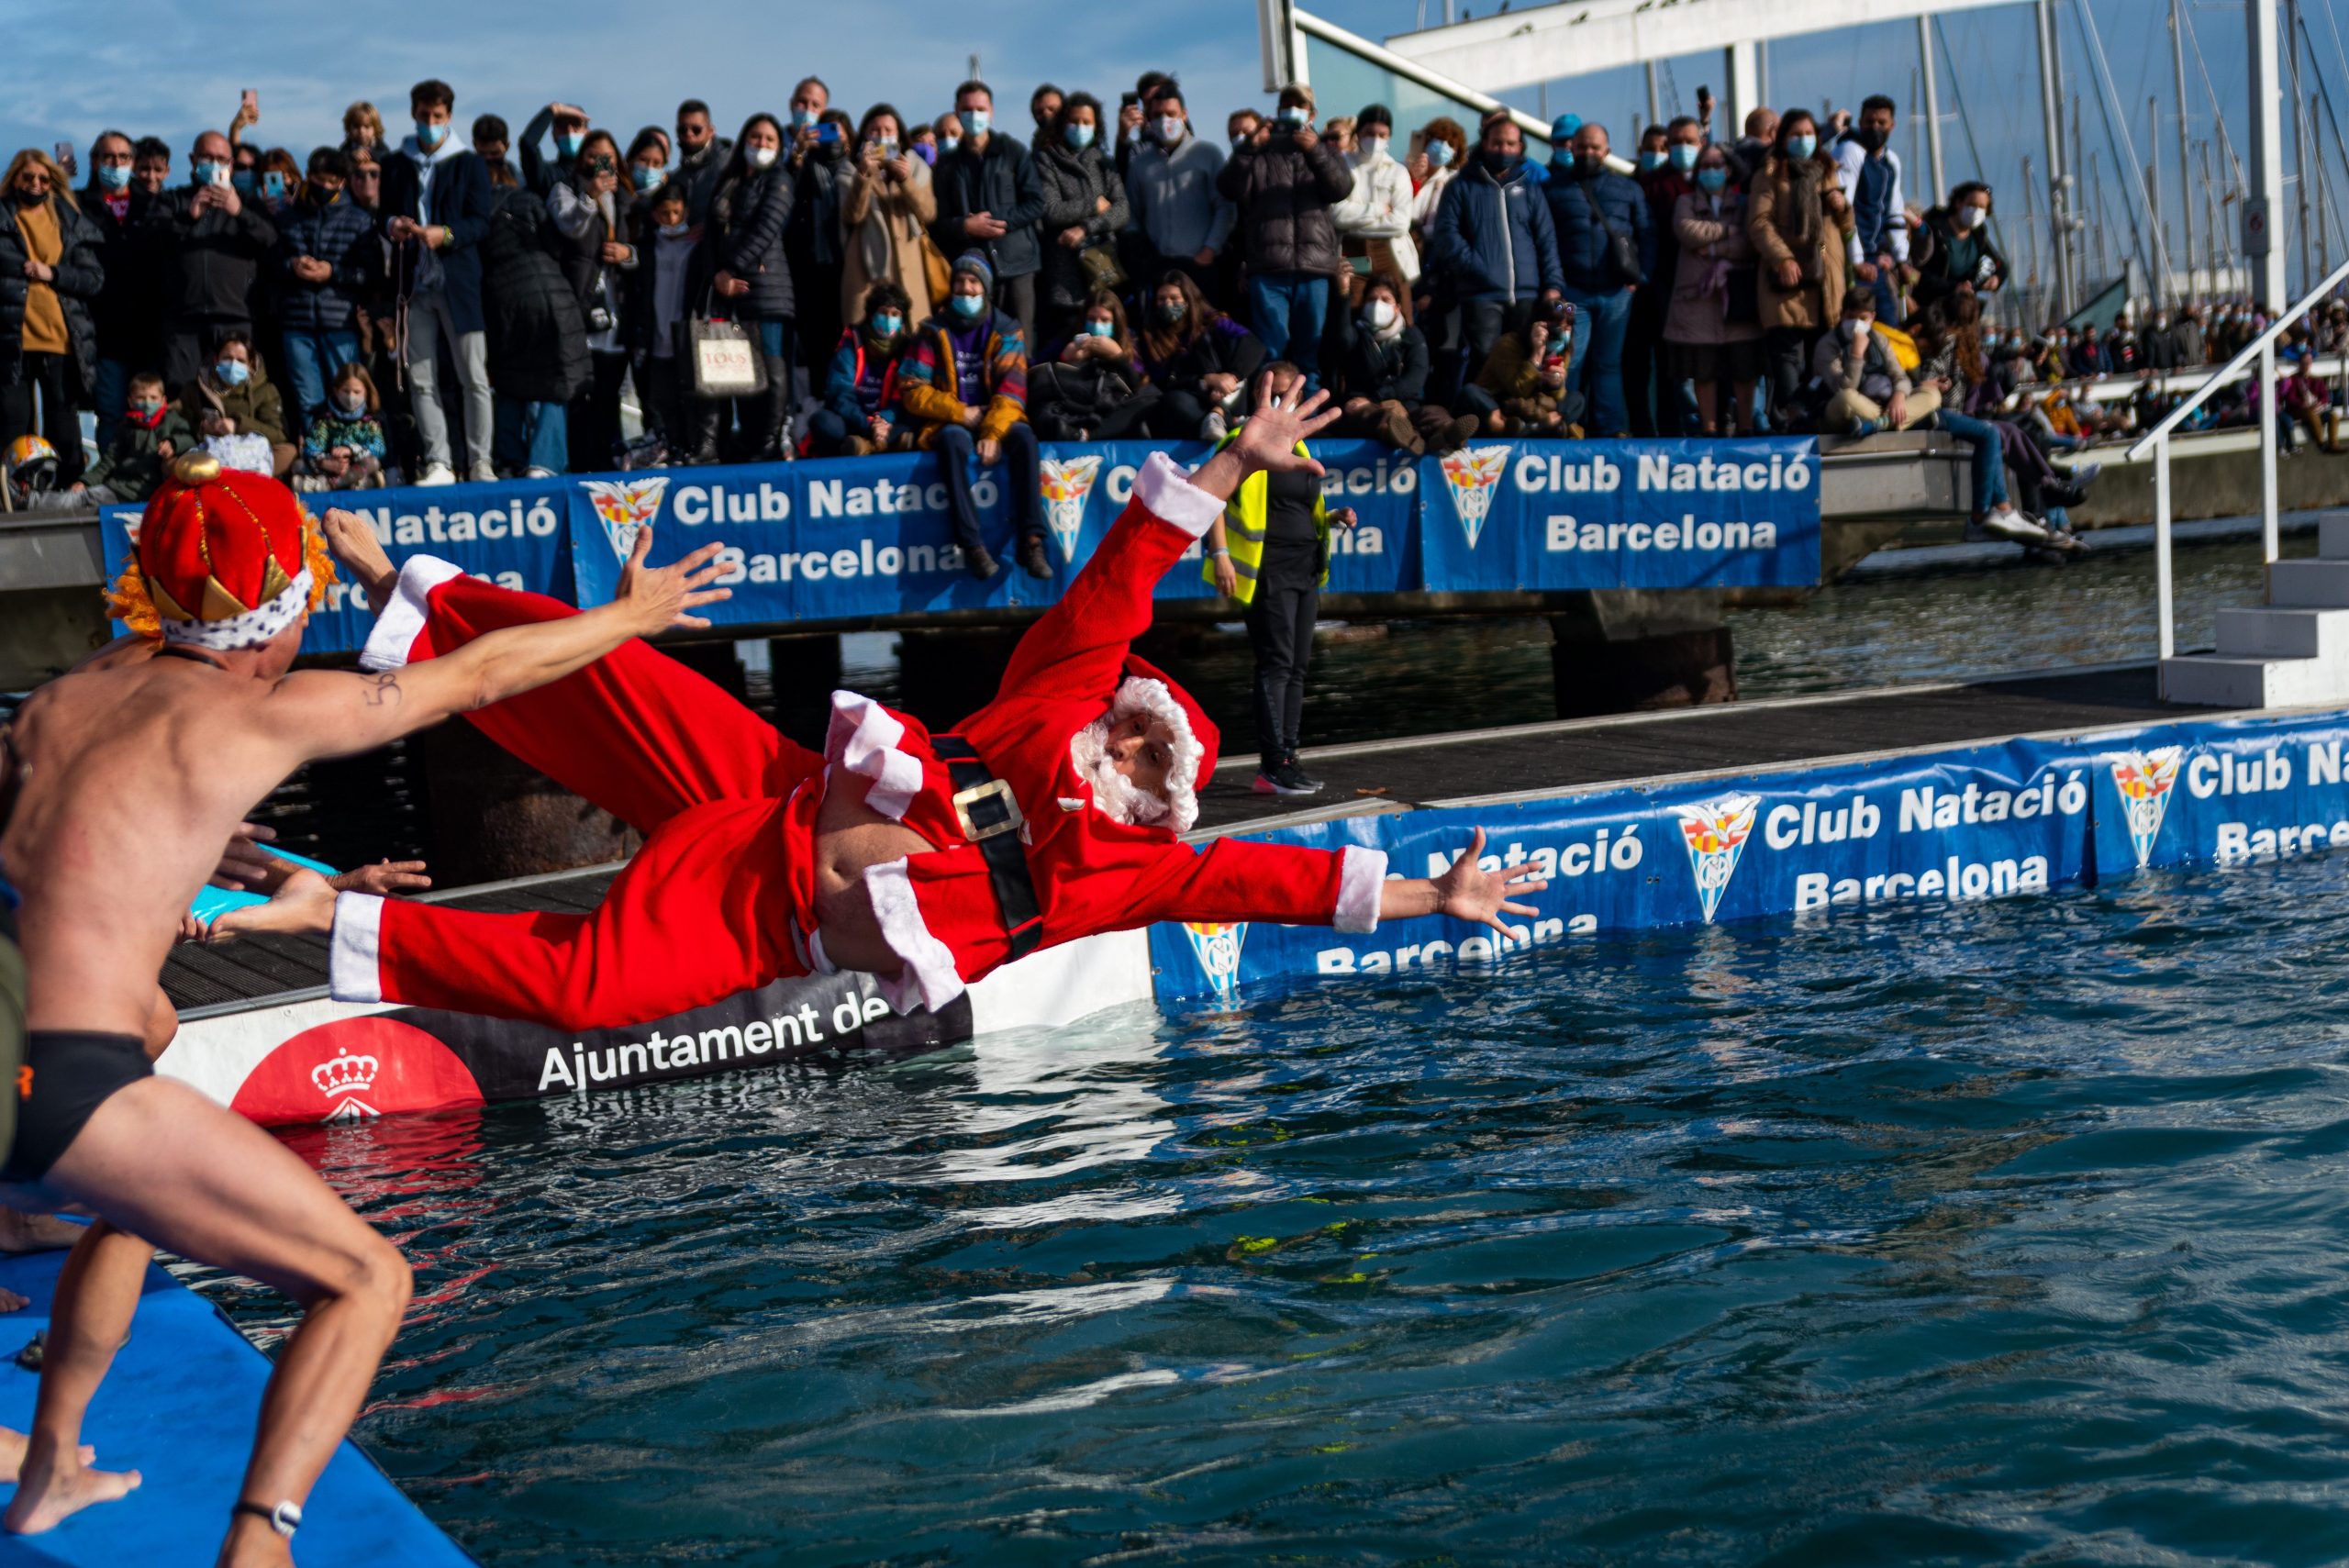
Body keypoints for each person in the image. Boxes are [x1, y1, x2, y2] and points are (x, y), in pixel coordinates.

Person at [221, 383, 1547, 1038]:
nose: (1134, 739)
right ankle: (414, 588)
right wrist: (1228, 459)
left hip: (767, 906)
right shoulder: (1056, 703)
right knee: (612, 678)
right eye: (1144, 718)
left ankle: (326, 915)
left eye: (1156, 756)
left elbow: (1276, 883)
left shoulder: (1128, 870)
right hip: (777, 785)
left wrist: (1438, 900)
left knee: (589, 989)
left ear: (1158, 794)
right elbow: (1121, 580)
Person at [0, 454, 726, 1562]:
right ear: (276, 614)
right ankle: (260, 1543)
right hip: (68, 1077)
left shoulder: (58, 702)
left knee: (139, 1181)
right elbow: (478, 677)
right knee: (367, 1277)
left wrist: (203, 847)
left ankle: (52, 1462)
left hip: (26, 1049)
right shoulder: (258, 716)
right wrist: (628, 614)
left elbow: (67, 841)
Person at [1199, 366, 1357, 797]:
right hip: (1267, 569)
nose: (1283, 405)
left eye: (1291, 395)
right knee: (1276, 662)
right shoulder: (1240, 444)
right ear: (1258, 399)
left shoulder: (1301, 446)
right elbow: (1213, 498)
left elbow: (1298, 509)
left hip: (1305, 566)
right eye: (1276, 396)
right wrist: (1221, 554)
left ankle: (1289, 756)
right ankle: (1272, 765)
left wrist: (1332, 517)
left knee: (1298, 667)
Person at [896, 250, 1044, 580]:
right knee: (952, 443)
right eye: (960, 282)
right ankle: (971, 543)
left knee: (1025, 439)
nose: (966, 289)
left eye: (973, 282)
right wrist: (960, 412)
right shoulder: (931, 330)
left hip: (997, 418)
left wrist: (991, 432)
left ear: (986, 288)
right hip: (951, 419)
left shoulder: (1007, 330)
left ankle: (1032, 540)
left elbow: (1012, 391)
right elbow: (911, 387)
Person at [378, 78, 495, 485]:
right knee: (421, 378)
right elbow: (383, 213)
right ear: (413, 114)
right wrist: (395, 223)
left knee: (474, 377)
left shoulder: (468, 162)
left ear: (448, 117)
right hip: (414, 284)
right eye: (424, 115)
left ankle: (481, 462)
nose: (430, 122)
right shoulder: (397, 163)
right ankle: (439, 461)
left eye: (438, 117)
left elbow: (482, 221)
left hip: (458, 283)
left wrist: (443, 234)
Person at [1218, 85, 1353, 394]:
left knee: (1310, 352)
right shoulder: (1260, 151)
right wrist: (1251, 146)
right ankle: (1268, 414)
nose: (1291, 109)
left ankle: (1308, 418)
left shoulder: (1326, 151)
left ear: (1312, 114)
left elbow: (1340, 188)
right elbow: (1229, 188)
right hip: (1268, 268)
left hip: (1315, 268)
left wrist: (1314, 149)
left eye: (1299, 105)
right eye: (1286, 104)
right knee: (1270, 352)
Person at [1427, 115, 1562, 388]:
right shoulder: (1461, 186)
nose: (1504, 150)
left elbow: (1546, 240)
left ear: (1521, 147)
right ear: (1485, 143)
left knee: (1527, 362)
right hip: (1481, 296)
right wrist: (1478, 268)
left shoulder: (1530, 189)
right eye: (1498, 143)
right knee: (1486, 364)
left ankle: (1517, 423)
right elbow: (1446, 236)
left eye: (1511, 144)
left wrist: (1553, 285)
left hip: (1526, 295)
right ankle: (1487, 424)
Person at [0, 150, 100, 490]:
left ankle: (68, 495)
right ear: (14, 178)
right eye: (28, 177)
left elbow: (93, 279)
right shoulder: (2, 217)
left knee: (64, 425)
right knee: (12, 423)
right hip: (11, 340)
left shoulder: (69, 219)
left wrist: (52, 273)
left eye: (44, 178)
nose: (35, 184)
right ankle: (10, 496)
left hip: (61, 339)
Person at [1543, 119, 1650, 437]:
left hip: (1617, 294)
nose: (1588, 152)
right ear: (1571, 148)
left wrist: (1640, 277)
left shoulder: (1628, 188)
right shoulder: (1552, 189)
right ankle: (1563, 424)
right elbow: (1545, 240)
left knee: (1608, 364)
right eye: (1582, 146)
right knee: (1566, 362)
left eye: (1594, 147)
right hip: (1569, 295)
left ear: (1607, 151)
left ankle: (1611, 427)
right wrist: (1553, 285)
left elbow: (1648, 233)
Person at [1749, 109, 1853, 431]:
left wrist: (1842, 207)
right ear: (1782, 139)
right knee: (1788, 359)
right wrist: (1782, 258)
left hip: (1825, 281)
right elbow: (1759, 222)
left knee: (1822, 358)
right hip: (1787, 282)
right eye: (1795, 134)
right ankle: (1790, 424)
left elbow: (1847, 229)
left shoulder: (1829, 171)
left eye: (1808, 133)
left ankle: (1818, 422)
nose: (1803, 139)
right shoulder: (1769, 173)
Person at [479, 178, 587, 478]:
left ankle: (508, 459)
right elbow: (558, 243)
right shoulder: (529, 198)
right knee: (556, 383)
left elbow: (461, 242)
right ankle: (544, 462)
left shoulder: (474, 209)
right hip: (553, 295)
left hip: (502, 300)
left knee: (509, 379)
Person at [705, 113, 796, 462]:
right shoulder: (728, 181)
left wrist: (729, 269)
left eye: (769, 139)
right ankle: (743, 443)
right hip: (728, 297)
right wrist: (717, 275)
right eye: (755, 137)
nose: (761, 145)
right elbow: (712, 234)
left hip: (767, 293)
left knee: (772, 374)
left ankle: (768, 442)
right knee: (739, 374)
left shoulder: (779, 180)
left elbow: (766, 227)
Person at [156, 130, 277, 395]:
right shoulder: (173, 200)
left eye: (221, 159)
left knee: (235, 394)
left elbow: (270, 241)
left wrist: (239, 212)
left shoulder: (248, 203)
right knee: (183, 394)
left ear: (231, 165)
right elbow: (154, 240)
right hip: (183, 321)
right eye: (207, 157)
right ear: (192, 160)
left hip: (235, 318)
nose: (214, 164)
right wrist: (189, 217)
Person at [932, 80, 1047, 354]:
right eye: (968, 109)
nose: (975, 115)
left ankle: (1022, 395)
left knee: (1020, 341)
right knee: (980, 345)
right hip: (972, 270)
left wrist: (1002, 222)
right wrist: (965, 226)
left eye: (980, 108)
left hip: (1017, 262)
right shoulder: (947, 163)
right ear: (957, 112)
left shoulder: (1013, 151)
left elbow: (1036, 202)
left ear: (992, 111)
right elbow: (938, 221)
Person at [548, 130, 635, 474]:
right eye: (594, 155)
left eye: (608, 157)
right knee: (581, 395)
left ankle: (607, 462)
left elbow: (643, 243)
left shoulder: (627, 195)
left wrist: (629, 254)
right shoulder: (565, 189)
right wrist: (590, 195)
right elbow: (568, 227)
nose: (601, 163)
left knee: (609, 395)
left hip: (618, 309)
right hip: (580, 307)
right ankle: (581, 464)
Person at [1666, 142, 1764, 437]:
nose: (1711, 171)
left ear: (1730, 169)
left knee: (1744, 367)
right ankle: (1708, 427)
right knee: (1703, 369)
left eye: (1717, 165)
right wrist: (1727, 231)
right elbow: (1688, 231)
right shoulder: (1685, 202)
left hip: (1737, 296)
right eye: (1705, 166)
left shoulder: (1746, 203)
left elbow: (1750, 243)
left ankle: (1746, 425)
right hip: (1696, 299)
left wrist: (1714, 249)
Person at [273, 147, 374, 426]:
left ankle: (352, 456)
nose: (326, 186)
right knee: (308, 400)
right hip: (297, 322)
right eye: (320, 179)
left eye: (333, 181)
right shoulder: (287, 217)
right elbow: (270, 265)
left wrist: (332, 272)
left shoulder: (360, 220)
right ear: (309, 176)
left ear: (343, 182)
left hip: (341, 323)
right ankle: (318, 460)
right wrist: (292, 266)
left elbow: (370, 274)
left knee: (349, 394)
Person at [1329, 272, 1473, 453]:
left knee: (1434, 413)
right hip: (1367, 406)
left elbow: (1416, 378)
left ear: (1397, 307)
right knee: (1375, 417)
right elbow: (1342, 339)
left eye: (1385, 299)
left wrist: (1383, 397)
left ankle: (1446, 435)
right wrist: (1343, 293)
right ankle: (1408, 439)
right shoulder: (1356, 333)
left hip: (1405, 405)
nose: (1377, 304)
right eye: (1372, 299)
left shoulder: (1412, 335)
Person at [82, 131, 161, 457]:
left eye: (123, 157)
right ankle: (112, 480)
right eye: (108, 157)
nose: (116, 163)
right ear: (95, 161)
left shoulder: (153, 205)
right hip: (105, 331)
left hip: (148, 330)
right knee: (112, 413)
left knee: (151, 414)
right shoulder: (79, 205)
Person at [625, 179, 715, 464]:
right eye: (664, 213)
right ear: (655, 215)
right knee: (661, 399)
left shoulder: (697, 246)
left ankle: (695, 449)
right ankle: (671, 446)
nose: (671, 219)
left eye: (676, 212)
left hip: (688, 334)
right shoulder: (649, 247)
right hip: (657, 335)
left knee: (692, 397)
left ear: (686, 212)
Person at [1033, 93, 1129, 348]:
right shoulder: (1047, 159)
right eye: (1074, 121)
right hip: (1065, 277)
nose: (1080, 127)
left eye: (1087, 122)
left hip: (1102, 269)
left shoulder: (1104, 162)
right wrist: (1094, 205)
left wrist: (1086, 227)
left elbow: (1122, 210)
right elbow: (1051, 209)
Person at [1627, 115, 1702, 437]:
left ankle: (1707, 425)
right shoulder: (1650, 184)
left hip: (1707, 287)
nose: (1681, 148)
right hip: (1659, 287)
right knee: (1661, 365)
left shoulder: (1712, 178)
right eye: (1676, 143)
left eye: (1690, 141)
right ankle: (1664, 431)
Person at [1123, 86, 1233, 304]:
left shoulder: (1208, 153)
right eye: (1157, 115)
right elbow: (1131, 216)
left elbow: (1225, 207)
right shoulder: (1139, 164)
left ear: (1184, 114)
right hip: (1159, 266)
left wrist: (1210, 249)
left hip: (1201, 264)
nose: (1164, 121)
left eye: (1171, 114)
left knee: (1204, 330)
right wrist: (1144, 257)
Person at [1136, 269, 1264, 439]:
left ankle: (1220, 416)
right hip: (1188, 397)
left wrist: (1232, 375)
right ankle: (1227, 421)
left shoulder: (1212, 322)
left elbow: (1252, 344)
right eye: (1162, 299)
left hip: (1225, 393)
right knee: (1172, 403)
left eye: (1174, 298)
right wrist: (1204, 381)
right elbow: (1162, 380)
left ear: (1188, 299)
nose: (1168, 304)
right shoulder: (1151, 335)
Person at [840, 105, 937, 330]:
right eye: (875, 131)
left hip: (909, 273)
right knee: (866, 341)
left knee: (912, 342)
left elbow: (928, 213)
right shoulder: (850, 170)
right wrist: (864, 175)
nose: (882, 137)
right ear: (865, 135)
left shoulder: (917, 168)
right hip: (866, 274)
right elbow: (852, 215)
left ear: (899, 136)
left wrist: (905, 180)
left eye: (888, 131)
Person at [785, 84, 852, 397]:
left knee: (844, 344)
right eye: (803, 102)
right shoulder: (802, 162)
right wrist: (797, 154)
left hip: (845, 269)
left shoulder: (852, 169)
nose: (808, 109)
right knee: (812, 346)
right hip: (808, 267)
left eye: (836, 133)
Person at [1029, 287, 1159, 441]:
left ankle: (1085, 435)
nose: (1097, 325)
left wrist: (1118, 357)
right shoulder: (1067, 339)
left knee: (1151, 399)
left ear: (1116, 322)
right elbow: (1035, 374)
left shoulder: (1130, 343)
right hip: (1073, 404)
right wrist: (1065, 359)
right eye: (1092, 319)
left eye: (1104, 320)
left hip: (1110, 406)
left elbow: (1137, 386)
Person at [1813, 285, 1933, 435]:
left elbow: (1900, 376)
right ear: (1842, 315)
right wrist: (1856, 355)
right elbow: (1842, 389)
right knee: (1846, 398)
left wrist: (1899, 395)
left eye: (1862, 318)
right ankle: (1896, 421)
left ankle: (1881, 423)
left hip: (1879, 405)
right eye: (1851, 317)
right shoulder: (1828, 344)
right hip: (1845, 408)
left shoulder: (1879, 339)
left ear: (1872, 317)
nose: (1857, 324)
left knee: (1932, 395)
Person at [808, 280, 908, 456]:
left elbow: (902, 396)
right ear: (871, 315)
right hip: (855, 420)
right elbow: (839, 391)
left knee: (915, 420)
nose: (888, 319)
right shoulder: (853, 342)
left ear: (902, 320)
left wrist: (885, 419)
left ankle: (866, 447)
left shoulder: (906, 348)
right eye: (883, 313)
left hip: (887, 422)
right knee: (823, 423)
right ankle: (883, 443)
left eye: (895, 314)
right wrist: (868, 423)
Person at [1833, 95, 1908, 325]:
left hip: (1874, 260)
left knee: (1889, 326)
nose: (1875, 127)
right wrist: (1856, 260)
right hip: (1849, 258)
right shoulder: (1850, 151)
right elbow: (1843, 209)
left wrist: (1901, 259)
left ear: (1892, 125)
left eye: (1881, 123)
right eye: (1869, 122)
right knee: (1854, 325)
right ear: (1860, 123)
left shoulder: (1891, 162)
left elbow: (1895, 211)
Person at [1466, 295, 1585, 437]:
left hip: (1538, 410)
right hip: (1506, 405)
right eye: (1556, 327)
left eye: (1567, 328)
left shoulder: (1564, 351)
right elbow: (1518, 390)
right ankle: (1508, 428)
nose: (1560, 334)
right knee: (1470, 392)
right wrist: (1537, 353)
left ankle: (1537, 427)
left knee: (1576, 399)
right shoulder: (1508, 344)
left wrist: (1556, 385)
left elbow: (1558, 398)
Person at [179, 331, 294, 475]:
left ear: (251, 364)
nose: (233, 365)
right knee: (172, 463)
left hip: (250, 456)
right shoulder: (195, 390)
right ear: (216, 360)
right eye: (227, 358)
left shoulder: (265, 391)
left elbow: (278, 435)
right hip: (210, 457)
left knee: (289, 452)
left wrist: (238, 425)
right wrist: (202, 429)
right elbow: (181, 426)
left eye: (241, 361)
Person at [1330, 105, 1419, 292]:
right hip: (1350, 252)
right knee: (1352, 310)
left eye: (1382, 134)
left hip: (1391, 253)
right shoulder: (1342, 166)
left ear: (1389, 137)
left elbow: (1401, 223)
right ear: (1358, 134)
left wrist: (1354, 222)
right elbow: (1337, 215)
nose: (1375, 139)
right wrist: (1379, 209)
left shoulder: (1398, 172)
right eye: (1370, 133)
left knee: (1396, 312)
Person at [69, 370, 189, 504]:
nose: (147, 403)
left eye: (153, 398)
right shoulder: (126, 426)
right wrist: (85, 482)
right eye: (141, 398)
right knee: (78, 498)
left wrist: (173, 444)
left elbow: (190, 440)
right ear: (130, 401)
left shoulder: (172, 421)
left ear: (163, 400)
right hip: (120, 489)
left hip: (158, 493)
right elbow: (109, 460)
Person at [1909, 182, 2007, 317]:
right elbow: (1917, 274)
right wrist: (1954, 287)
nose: (1976, 211)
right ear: (1958, 203)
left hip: (1960, 310)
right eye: (1972, 205)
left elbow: (1999, 264)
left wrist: (1997, 278)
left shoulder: (1978, 235)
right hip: (1929, 307)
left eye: (1982, 207)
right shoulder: (1935, 229)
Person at [295, 361, 388, 491]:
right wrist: (325, 461)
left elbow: (379, 448)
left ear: (366, 392)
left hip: (356, 466)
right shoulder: (326, 418)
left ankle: (331, 485)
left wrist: (351, 450)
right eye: (346, 391)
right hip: (329, 466)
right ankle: (325, 482)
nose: (351, 397)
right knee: (298, 465)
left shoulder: (370, 420)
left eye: (357, 392)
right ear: (336, 390)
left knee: (373, 463)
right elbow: (312, 446)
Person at [673, 99, 731, 225]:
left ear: (711, 131)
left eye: (696, 129)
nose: (689, 134)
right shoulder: (677, 177)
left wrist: (709, 228)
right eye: (683, 130)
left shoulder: (729, 163)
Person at [519, 101, 589, 198]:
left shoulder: (599, 171)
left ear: (587, 134)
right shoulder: (547, 175)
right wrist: (554, 109)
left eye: (576, 125)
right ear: (553, 135)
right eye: (562, 126)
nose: (569, 131)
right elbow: (528, 143)